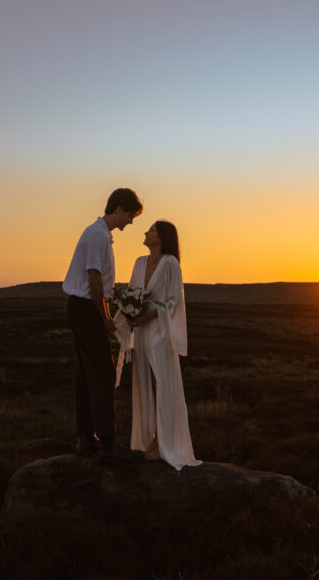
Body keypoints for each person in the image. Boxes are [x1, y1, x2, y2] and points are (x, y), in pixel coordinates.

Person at [63, 188, 144, 463]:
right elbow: (94, 279)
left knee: (86, 375)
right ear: (119, 209)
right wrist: (105, 317)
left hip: (80, 308)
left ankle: (86, 439)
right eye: (130, 216)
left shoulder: (98, 234)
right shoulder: (97, 235)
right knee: (103, 373)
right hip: (86, 309)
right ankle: (108, 442)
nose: (131, 222)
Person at [117, 221, 202, 470]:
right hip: (142, 332)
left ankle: (166, 444)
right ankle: (149, 439)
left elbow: (174, 302)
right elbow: (132, 293)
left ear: (162, 237)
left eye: (151, 230)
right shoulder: (139, 263)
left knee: (163, 384)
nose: (145, 232)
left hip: (161, 332)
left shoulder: (170, 264)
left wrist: (146, 317)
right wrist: (124, 318)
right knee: (144, 384)